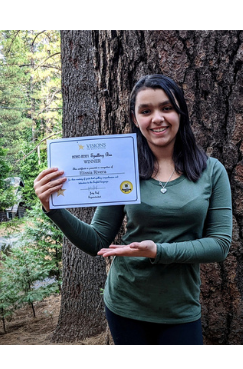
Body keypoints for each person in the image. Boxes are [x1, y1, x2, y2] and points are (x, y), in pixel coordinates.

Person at [34, 74, 232, 345]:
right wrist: (52, 208)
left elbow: (220, 245)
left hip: (180, 309)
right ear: (135, 119)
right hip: (125, 305)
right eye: (146, 111)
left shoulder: (212, 171)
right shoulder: (122, 169)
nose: (157, 118)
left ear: (180, 112)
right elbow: (97, 240)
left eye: (166, 108)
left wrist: (158, 251)